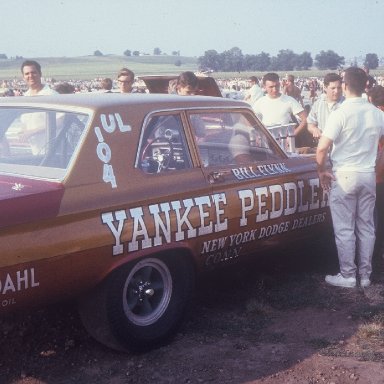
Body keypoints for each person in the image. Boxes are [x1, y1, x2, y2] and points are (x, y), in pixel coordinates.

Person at [316, 67, 384, 288]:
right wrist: (377, 164)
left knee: (345, 227)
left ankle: (347, 275)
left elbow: (322, 148)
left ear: (345, 86)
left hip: (344, 174)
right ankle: (365, 275)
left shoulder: (340, 113)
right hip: (367, 174)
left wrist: (321, 170)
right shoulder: (377, 113)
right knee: (366, 226)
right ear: (366, 85)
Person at [253, 72, 307, 142]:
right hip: (266, 140)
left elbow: (305, 119)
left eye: (277, 86)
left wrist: (292, 135)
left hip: (284, 140)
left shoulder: (289, 100)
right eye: (271, 87)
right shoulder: (260, 102)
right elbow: (249, 120)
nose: (275, 90)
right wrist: (257, 135)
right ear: (264, 87)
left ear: (280, 84)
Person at [307, 73, 344, 140]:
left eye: (339, 88)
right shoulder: (318, 103)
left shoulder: (346, 104)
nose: (336, 91)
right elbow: (310, 124)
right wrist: (314, 129)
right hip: (323, 144)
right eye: (333, 88)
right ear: (325, 88)